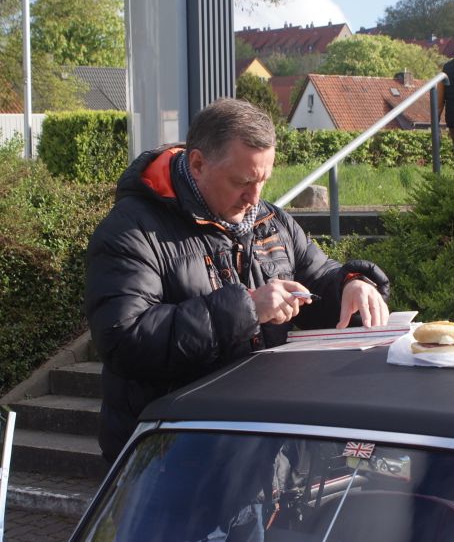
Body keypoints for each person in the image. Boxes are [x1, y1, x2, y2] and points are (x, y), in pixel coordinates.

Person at [85, 98, 391, 463]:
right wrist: (248, 308)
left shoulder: (271, 221)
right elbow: (125, 340)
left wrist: (351, 284)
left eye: (263, 180)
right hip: (169, 456)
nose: (255, 197)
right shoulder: (131, 230)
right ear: (197, 164)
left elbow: (318, 276)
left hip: (261, 447)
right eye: (242, 181)